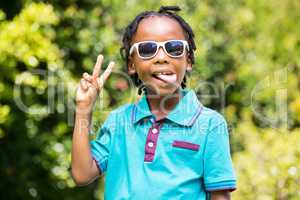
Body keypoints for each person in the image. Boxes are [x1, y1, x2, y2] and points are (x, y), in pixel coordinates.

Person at [71, 6, 237, 200]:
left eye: (173, 48)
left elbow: (220, 195)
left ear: (188, 59)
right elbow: (82, 174)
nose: (161, 58)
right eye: (147, 49)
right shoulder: (118, 121)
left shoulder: (210, 124)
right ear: (132, 65)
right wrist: (83, 109)